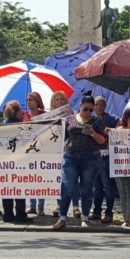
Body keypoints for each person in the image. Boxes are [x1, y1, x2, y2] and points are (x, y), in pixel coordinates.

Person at [53, 91, 106, 230]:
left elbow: (103, 140)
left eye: (91, 109)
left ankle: (85, 218)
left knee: (87, 188)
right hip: (71, 158)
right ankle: (62, 218)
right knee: (67, 187)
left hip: (90, 159)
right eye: (85, 109)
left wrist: (93, 133)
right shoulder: (70, 119)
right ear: (80, 106)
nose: (88, 112)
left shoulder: (96, 121)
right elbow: (63, 136)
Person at [0, 100, 33, 224]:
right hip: (19, 161)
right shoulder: (20, 126)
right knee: (19, 188)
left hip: (5, 162)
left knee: (7, 189)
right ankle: (20, 214)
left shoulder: (2, 125)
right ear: (17, 112)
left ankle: (7, 214)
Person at [89, 96, 119, 223]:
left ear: (105, 106)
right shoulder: (90, 119)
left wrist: (111, 131)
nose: (99, 107)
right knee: (97, 187)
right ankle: (96, 211)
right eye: (96, 105)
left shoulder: (110, 118)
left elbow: (121, 126)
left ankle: (109, 212)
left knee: (108, 186)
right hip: (94, 157)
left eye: (101, 105)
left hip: (107, 157)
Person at [49, 90, 76, 218]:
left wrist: (72, 116)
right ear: (53, 103)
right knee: (58, 179)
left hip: (71, 149)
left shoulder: (72, 114)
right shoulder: (49, 116)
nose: (59, 102)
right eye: (57, 99)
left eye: (61, 99)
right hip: (55, 151)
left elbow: (78, 127)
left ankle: (76, 206)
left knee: (73, 178)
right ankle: (59, 205)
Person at [23, 92, 47, 216]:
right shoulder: (24, 115)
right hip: (28, 153)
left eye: (31, 99)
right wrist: (24, 124)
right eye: (27, 100)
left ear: (37, 101)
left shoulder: (44, 115)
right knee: (30, 179)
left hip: (42, 152)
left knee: (40, 180)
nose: (28, 102)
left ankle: (41, 207)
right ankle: (32, 206)